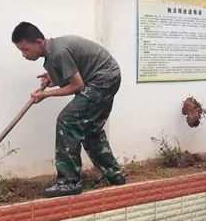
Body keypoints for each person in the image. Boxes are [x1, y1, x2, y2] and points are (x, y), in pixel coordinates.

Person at [11, 22, 125, 197]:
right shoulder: (52, 53)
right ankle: (114, 175)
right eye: (21, 51)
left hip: (103, 78)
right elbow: (72, 77)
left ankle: (69, 182)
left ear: (39, 42)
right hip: (106, 76)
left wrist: (46, 94)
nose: (24, 55)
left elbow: (78, 86)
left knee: (67, 121)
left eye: (25, 50)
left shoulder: (59, 52)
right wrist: (53, 79)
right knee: (90, 129)